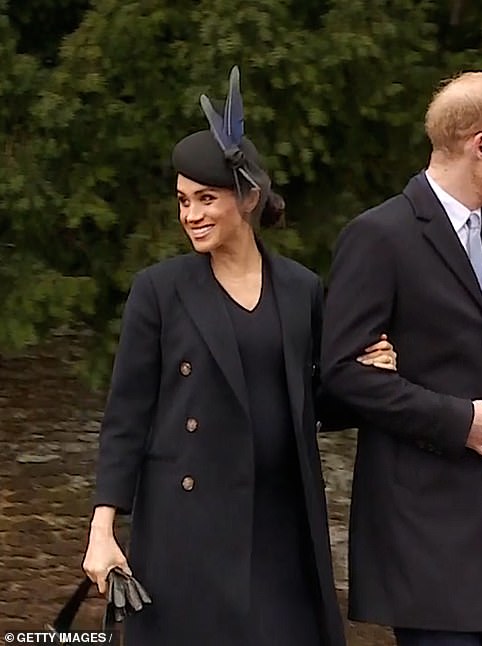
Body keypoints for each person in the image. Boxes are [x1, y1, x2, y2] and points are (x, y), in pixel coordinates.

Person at [82, 66, 397, 646]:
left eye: (206, 198)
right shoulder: (159, 290)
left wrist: (365, 376)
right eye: (182, 201)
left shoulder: (302, 288)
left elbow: (315, 400)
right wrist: (102, 530)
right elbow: (125, 419)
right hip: (187, 529)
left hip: (284, 522)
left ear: (248, 198)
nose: (191, 215)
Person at [320, 71, 482, 646]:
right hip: (423, 534)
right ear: (479, 144)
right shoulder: (379, 236)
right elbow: (339, 374)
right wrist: (455, 421)